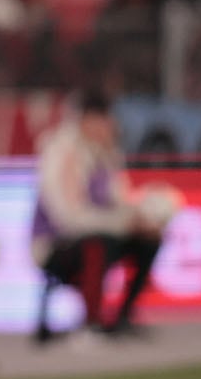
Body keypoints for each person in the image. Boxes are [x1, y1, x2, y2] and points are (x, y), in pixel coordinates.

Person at [32, 91, 162, 343]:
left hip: (99, 233)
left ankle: (122, 316)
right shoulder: (61, 151)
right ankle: (89, 324)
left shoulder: (107, 153)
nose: (111, 127)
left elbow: (120, 200)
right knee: (96, 242)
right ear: (88, 120)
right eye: (105, 121)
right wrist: (122, 223)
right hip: (54, 243)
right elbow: (68, 217)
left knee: (149, 240)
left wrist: (139, 219)